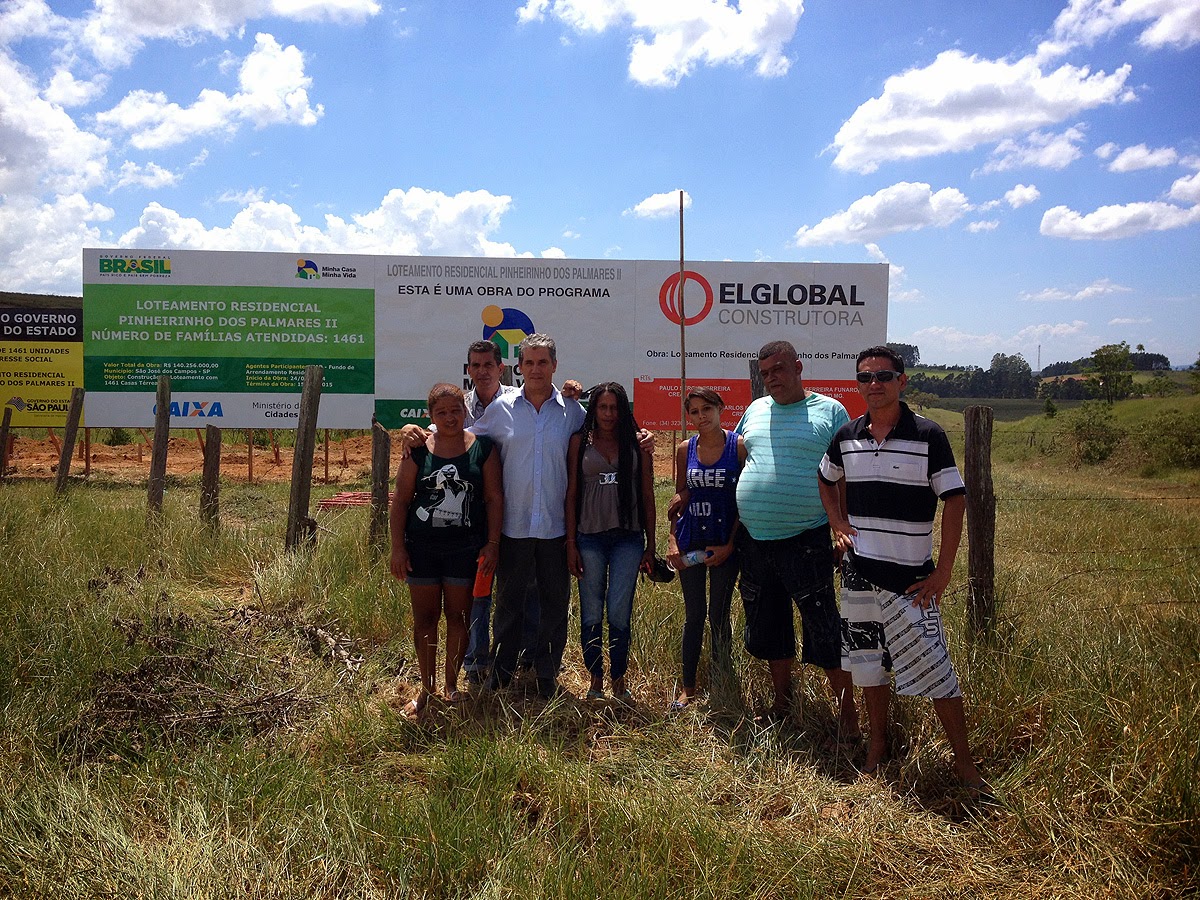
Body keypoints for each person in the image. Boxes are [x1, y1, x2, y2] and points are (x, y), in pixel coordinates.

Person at [818, 346, 988, 793]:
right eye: (865, 377)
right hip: (858, 576)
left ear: (902, 381)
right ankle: (877, 747)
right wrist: (837, 522)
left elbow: (955, 500)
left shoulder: (928, 435)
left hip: (912, 583)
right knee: (867, 667)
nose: (873, 384)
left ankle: (965, 766)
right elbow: (825, 477)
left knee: (938, 672)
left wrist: (943, 572)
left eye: (883, 376)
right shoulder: (847, 436)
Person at [734, 340, 859, 736]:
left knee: (824, 627)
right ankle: (782, 703)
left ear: (799, 367)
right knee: (771, 626)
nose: (772, 378)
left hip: (806, 539)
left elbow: (844, 474)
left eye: (778, 369)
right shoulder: (755, 409)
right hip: (756, 540)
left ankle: (848, 718)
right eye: (765, 373)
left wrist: (841, 526)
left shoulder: (830, 410)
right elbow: (735, 452)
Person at [390, 383, 502, 717]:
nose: (450, 418)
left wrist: (492, 543)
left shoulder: (483, 448)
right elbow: (401, 501)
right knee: (425, 620)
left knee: (458, 617)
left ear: (465, 411)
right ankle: (427, 689)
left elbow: (494, 498)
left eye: (455, 410)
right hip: (421, 550)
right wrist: (397, 548)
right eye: (442, 412)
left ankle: (451, 686)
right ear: (431, 415)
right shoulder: (418, 450)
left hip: (465, 550)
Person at [565, 382, 657, 701]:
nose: (608, 414)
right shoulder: (580, 441)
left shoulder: (637, 443)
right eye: (602, 407)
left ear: (623, 410)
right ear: (593, 409)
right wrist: (570, 544)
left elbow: (648, 495)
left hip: (627, 539)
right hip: (588, 537)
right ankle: (595, 681)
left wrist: (651, 546)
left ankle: (619, 680)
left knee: (619, 611)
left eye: (614, 408)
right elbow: (571, 493)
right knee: (591, 611)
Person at [666, 387, 745, 710]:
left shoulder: (738, 447)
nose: (701, 417)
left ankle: (721, 684)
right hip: (691, 540)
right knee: (694, 614)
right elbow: (678, 499)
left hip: (724, 542)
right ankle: (689, 688)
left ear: (720, 408)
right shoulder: (686, 449)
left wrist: (731, 544)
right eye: (695, 412)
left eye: (707, 409)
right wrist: (672, 540)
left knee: (719, 614)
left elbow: (744, 499)